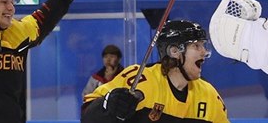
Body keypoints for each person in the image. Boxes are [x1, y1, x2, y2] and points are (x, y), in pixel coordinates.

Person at [81, 20, 229, 123]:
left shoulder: (209, 95)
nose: (204, 52)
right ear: (174, 51)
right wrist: (107, 105)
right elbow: (87, 113)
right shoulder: (140, 79)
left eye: (203, 46)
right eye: (196, 46)